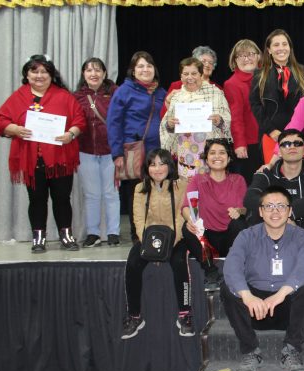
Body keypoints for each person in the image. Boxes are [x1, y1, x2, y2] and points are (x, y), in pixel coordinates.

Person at [221, 185, 304, 371]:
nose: (275, 211)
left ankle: (291, 349)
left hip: (287, 308)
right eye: (269, 206)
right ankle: (250, 351)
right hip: (254, 308)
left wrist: (281, 294)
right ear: (260, 211)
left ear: (290, 211)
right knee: (227, 287)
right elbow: (231, 266)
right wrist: (247, 296)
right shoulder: (246, 235)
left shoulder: (303, 236)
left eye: (281, 206)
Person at [0, 54, 86, 252]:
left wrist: (71, 134)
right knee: (36, 200)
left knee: (62, 199)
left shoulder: (64, 96)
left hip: (60, 159)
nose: (39, 75)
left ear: (51, 75)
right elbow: (0, 120)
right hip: (31, 160)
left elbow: (80, 121)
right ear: (26, 74)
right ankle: (38, 238)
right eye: (34, 71)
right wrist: (15, 129)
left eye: (44, 71)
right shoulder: (18, 96)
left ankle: (67, 236)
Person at [121, 149, 192, 339]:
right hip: (149, 238)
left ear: (170, 165)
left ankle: (185, 314)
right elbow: (138, 219)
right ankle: (134, 316)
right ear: (147, 167)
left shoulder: (181, 185)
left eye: (162, 163)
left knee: (179, 262)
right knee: (133, 263)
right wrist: (151, 247)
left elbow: (182, 215)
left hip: (176, 237)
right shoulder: (139, 188)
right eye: (152, 164)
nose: (157, 168)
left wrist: (166, 246)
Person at [107, 51, 167, 243]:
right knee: (137, 194)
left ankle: (157, 232)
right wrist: (117, 153)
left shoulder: (161, 93)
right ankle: (138, 234)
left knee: (158, 193)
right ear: (133, 71)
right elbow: (113, 122)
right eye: (140, 66)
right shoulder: (124, 91)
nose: (145, 69)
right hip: (133, 152)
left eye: (149, 66)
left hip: (157, 152)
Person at [181, 139, 247, 290]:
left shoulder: (238, 180)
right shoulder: (198, 180)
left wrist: (238, 211)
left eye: (222, 153)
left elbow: (245, 209)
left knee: (240, 224)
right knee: (188, 228)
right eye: (212, 153)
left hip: (229, 239)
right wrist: (191, 220)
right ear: (206, 158)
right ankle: (211, 271)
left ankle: (234, 268)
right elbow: (187, 207)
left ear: (229, 158)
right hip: (207, 241)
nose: (217, 157)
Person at [244, 129, 304, 241]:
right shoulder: (266, 174)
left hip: (303, 230)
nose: (292, 147)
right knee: (254, 213)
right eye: (286, 144)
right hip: (272, 225)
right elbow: (249, 198)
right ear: (279, 152)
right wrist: (280, 215)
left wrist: (290, 213)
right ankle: (263, 253)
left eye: (297, 143)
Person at [73, 57, 120, 248]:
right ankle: (93, 233)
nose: (94, 74)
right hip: (85, 151)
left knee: (111, 193)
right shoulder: (76, 97)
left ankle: (113, 232)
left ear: (105, 73)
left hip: (111, 151)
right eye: (89, 70)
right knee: (91, 194)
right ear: (84, 74)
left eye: (98, 70)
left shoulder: (115, 93)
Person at [160, 57, 232, 179]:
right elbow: (165, 126)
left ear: (201, 74)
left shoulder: (215, 92)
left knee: (212, 186)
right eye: (185, 74)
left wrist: (219, 120)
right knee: (190, 191)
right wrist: (170, 125)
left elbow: (227, 119)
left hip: (212, 151)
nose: (190, 77)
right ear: (181, 76)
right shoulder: (176, 97)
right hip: (186, 152)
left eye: (194, 73)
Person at [250, 30, 304, 173]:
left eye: (284, 44)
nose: (281, 48)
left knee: (298, 177)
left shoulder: (303, 71)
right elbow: (256, 106)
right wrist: (271, 131)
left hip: (299, 135)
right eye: (276, 45)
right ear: (269, 50)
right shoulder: (259, 75)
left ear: (290, 47)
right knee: (273, 178)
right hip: (272, 135)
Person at [224, 38, 262, 184]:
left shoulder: (267, 77)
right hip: (251, 142)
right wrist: (239, 143)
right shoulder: (232, 84)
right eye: (241, 55)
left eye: (250, 54)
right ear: (235, 60)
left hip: (271, 138)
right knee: (254, 184)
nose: (246, 59)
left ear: (258, 56)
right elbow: (236, 117)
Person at [161, 45, 223, 117]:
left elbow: (223, 116)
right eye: (203, 61)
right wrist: (168, 102)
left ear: (214, 67)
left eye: (211, 62)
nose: (207, 64)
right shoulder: (177, 86)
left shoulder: (218, 89)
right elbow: (164, 115)